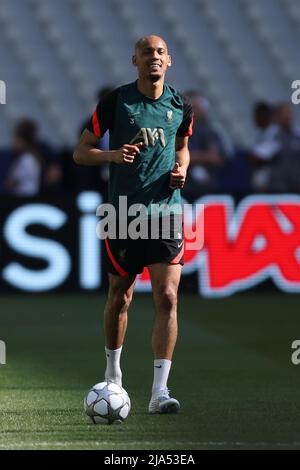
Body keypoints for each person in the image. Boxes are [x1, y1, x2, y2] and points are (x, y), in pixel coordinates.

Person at [73, 35, 193, 414]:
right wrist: (112, 154)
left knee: (168, 297)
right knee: (120, 296)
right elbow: (80, 152)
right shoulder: (116, 102)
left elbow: (182, 148)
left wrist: (181, 171)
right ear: (135, 61)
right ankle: (113, 375)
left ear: (169, 61)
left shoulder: (181, 106)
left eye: (160, 52)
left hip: (166, 213)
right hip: (124, 214)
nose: (153, 58)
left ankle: (160, 392)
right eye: (147, 53)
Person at [183, 90, 232, 195]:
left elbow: (221, 157)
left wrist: (193, 157)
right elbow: (173, 158)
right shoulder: (175, 130)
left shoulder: (213, 130)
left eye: (197, 106)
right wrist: (203, 156)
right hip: (182, 188)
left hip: (208, 188)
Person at [5, 119, 43, 197]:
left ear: (24, 142)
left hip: (24, 198)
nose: (13, 143)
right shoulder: (26, 158)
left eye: (17, 141)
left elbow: (12, 183)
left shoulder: (27, 160)